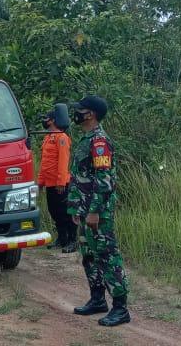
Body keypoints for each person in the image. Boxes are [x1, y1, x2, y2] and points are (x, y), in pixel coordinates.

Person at [66, 95, 131, 327]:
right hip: (85, 210)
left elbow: (104, 180)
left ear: (91, 114)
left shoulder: (99, 142)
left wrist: (94, 211)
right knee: (90, 256)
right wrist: (77, 208)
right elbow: (81, 178)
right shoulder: (87, 139)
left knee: (107, 256)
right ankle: (97, 300)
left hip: (98, 213)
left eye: (81, 110)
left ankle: (121, 308)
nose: (77, 114)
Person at [38, 111, 75, 252]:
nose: (44, 121)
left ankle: (72, 241)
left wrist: (61, 182)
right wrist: (40, 182)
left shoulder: (62, 138)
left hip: (61, 184)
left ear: (53, 120)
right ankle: (62, 239)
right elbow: (44, 162)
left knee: (65, 213)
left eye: (46, 118)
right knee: (54, 212)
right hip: (49, 183)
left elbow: (63, 162)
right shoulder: (48, 138)